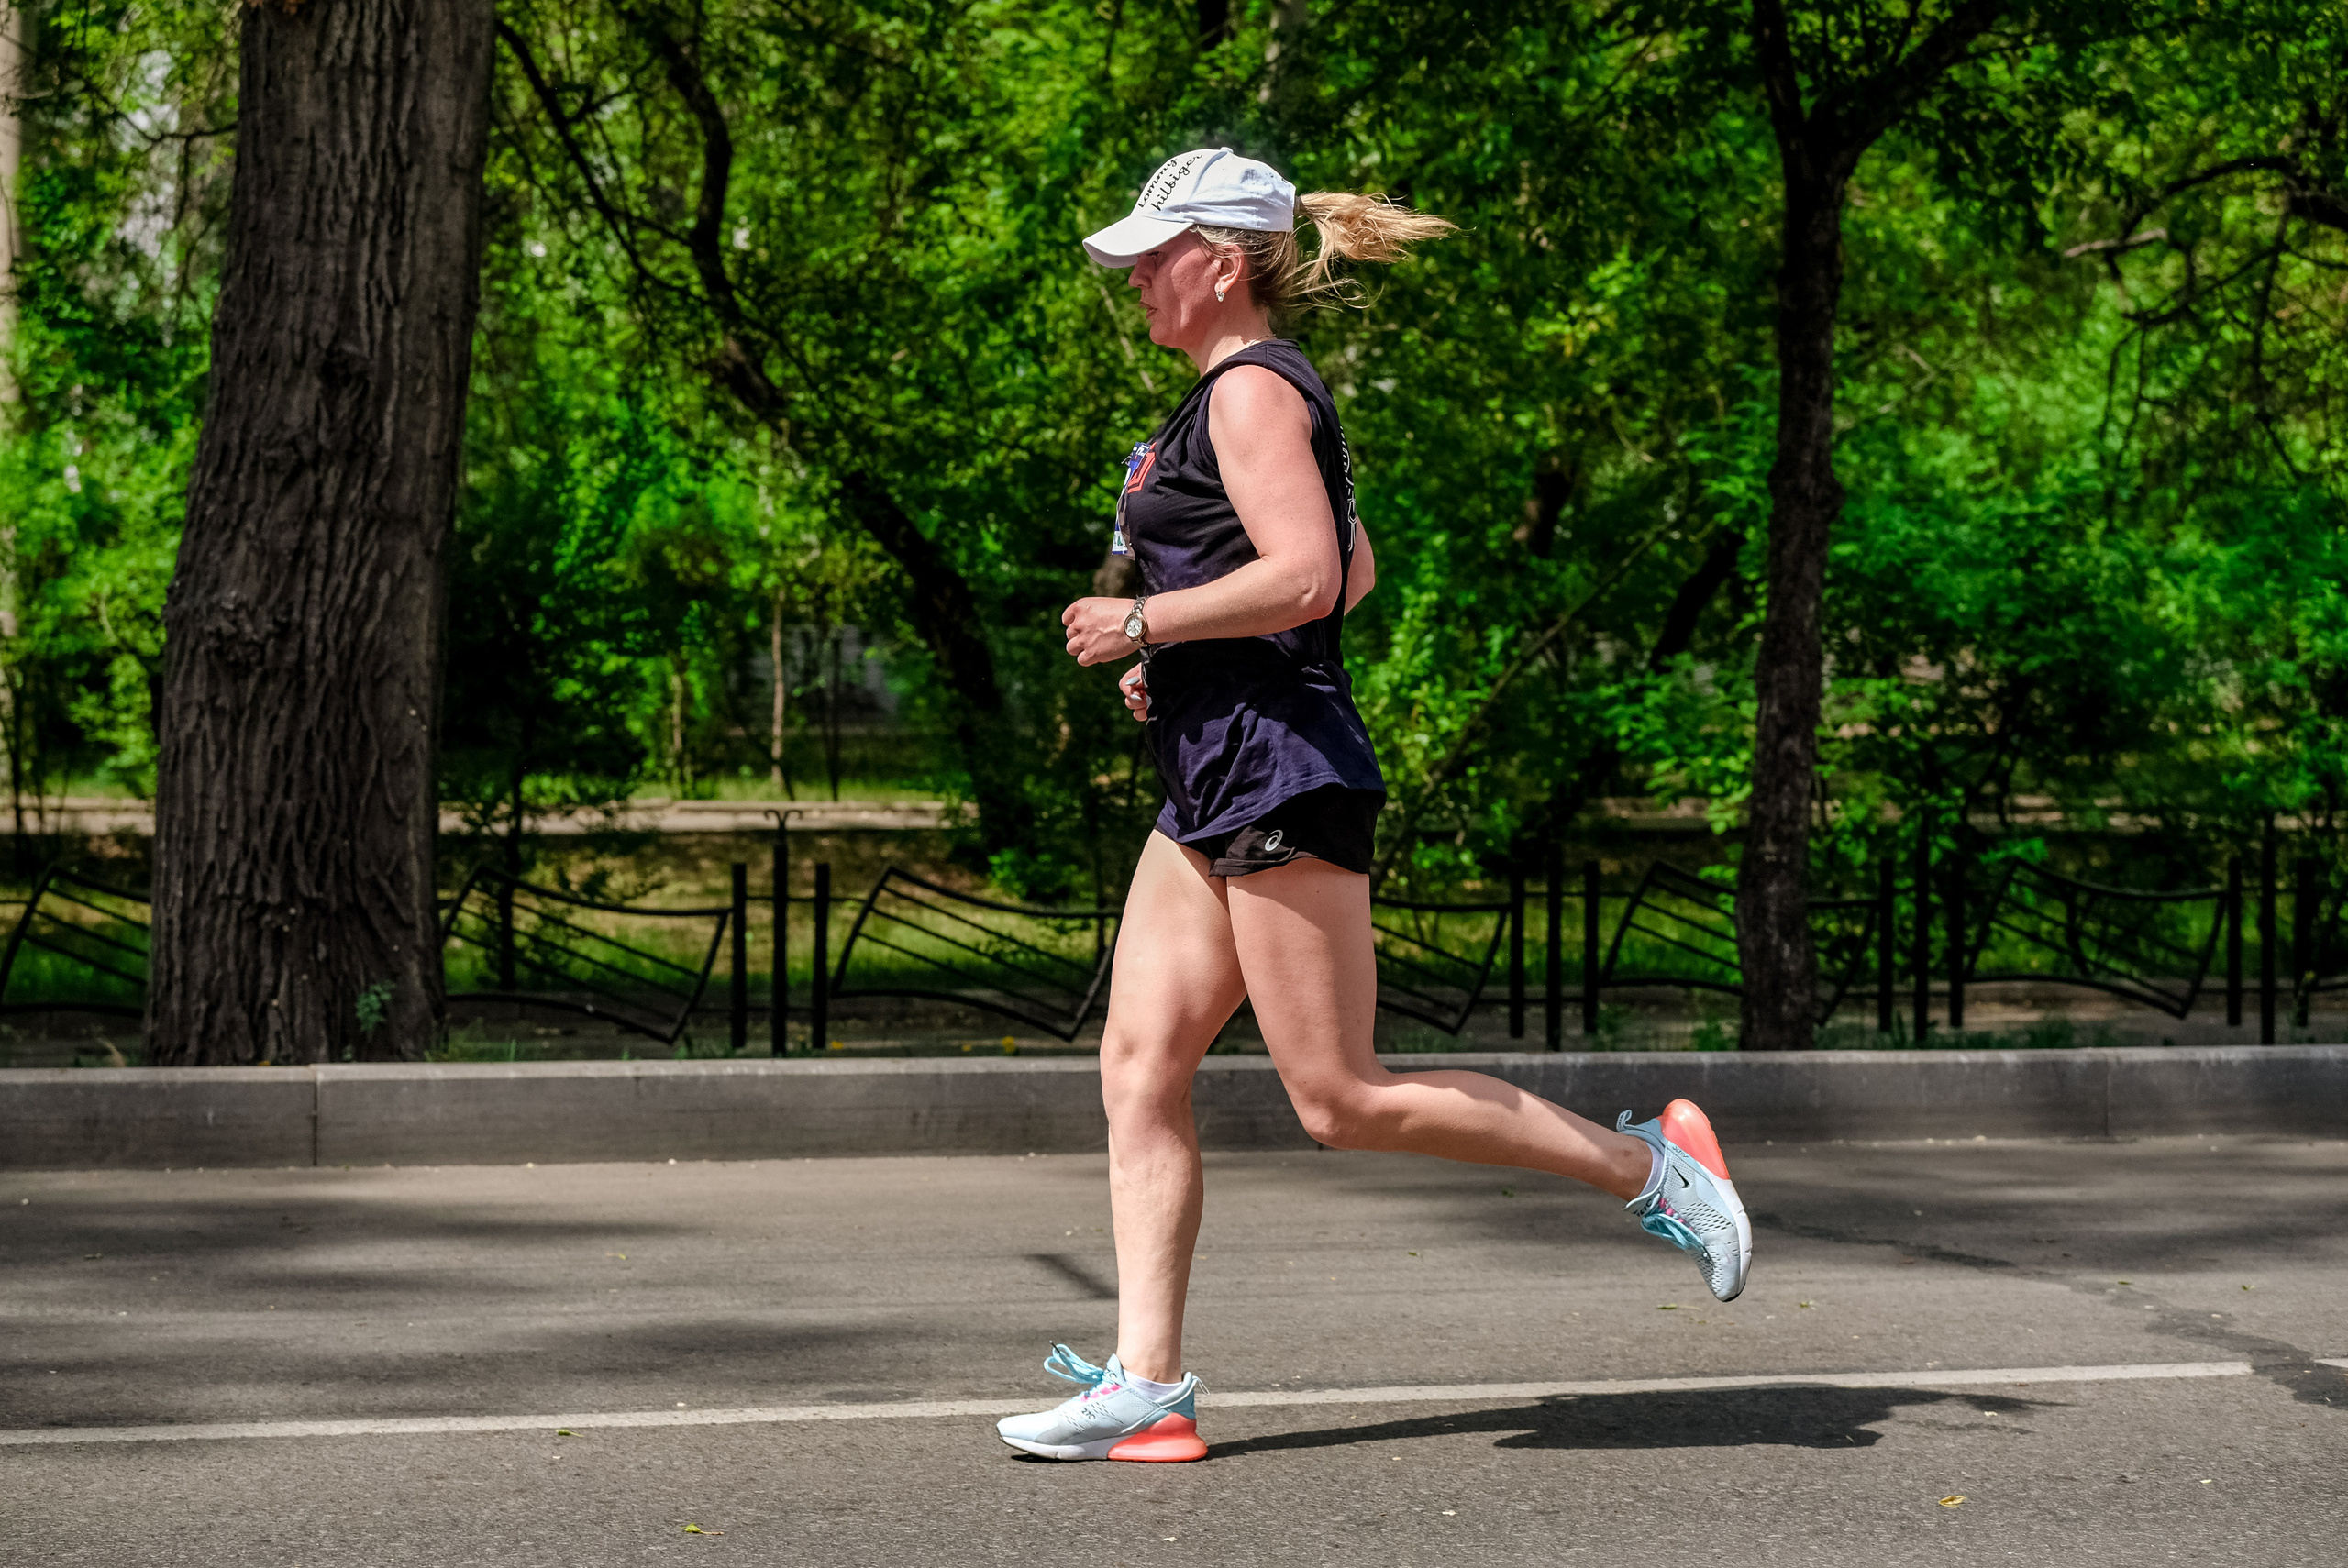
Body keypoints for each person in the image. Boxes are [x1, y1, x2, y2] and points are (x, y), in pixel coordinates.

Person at [994, 148, 1751, 1464]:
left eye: (1151, 257)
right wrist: (1180, 661)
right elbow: (1352, 568)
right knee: (1137, 1067)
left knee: (1339, 1097)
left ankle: (1660, 1173)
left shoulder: (1247, 390)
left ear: (1219, 265)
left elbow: (1301, 572)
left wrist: (1147, 620)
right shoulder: (1232, 400)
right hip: (1213, 770)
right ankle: (1148, 1382)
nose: (1132, 278)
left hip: (1284, 773)